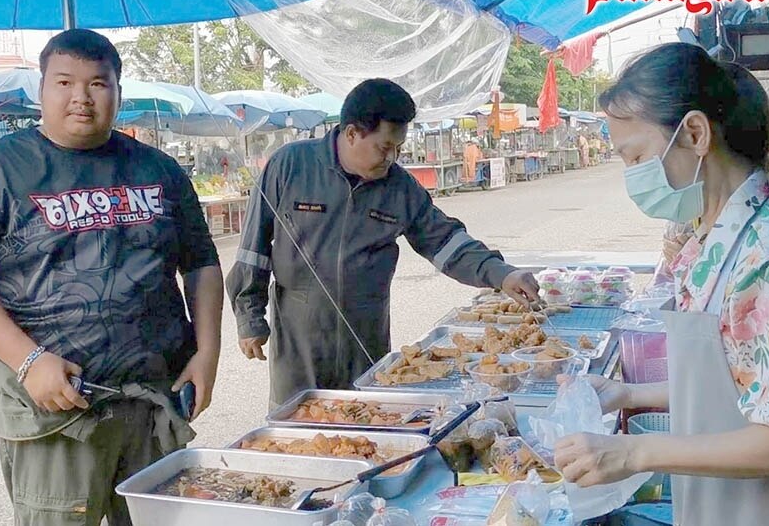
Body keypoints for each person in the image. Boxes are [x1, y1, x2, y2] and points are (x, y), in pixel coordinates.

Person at [554, 43, 769, 526]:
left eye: (636, 156)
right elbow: (739, 384)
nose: (633, 176)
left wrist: (635, 452)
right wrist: (628, 395)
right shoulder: (716, 241)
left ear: (694, 133)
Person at [0, 29, 224, 525]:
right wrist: (29, 360)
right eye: (64, 82)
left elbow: (201, 262)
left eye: (98, 83)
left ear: (118, 92)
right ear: (41, 90)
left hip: (154, 400)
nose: (81, 97)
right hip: (54, 411)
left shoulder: (160, 169)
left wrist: (208, 350)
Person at [226, 78, 541, 407]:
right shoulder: (289, 166)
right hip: (298, 339)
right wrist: (249, 318)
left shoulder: (400, 188)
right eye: (384, 147)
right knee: (297, 427)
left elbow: (445, 241)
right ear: (352, 133)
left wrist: (501, 274)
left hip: (366, 335)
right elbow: (253, 250)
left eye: (398, 148)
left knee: (368, 423)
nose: (392, 157)